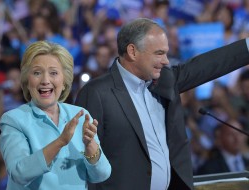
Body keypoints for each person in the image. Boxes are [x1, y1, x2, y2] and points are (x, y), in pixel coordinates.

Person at [75, 18, 249, 190]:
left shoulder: (164, 80)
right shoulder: (97, 93)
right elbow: (84, 160)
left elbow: (206, 65)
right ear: (133, 51)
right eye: (159, 53)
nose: (166, 61)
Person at [0, 41, 111, 189]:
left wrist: (91, 147)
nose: (45, 81)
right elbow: (19, 173)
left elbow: (101, 175)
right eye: (37, 73)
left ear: (64, 81)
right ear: (27, 81)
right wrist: (60, 142)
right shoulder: (14, 120)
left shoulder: (80, 115)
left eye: (53, 73)